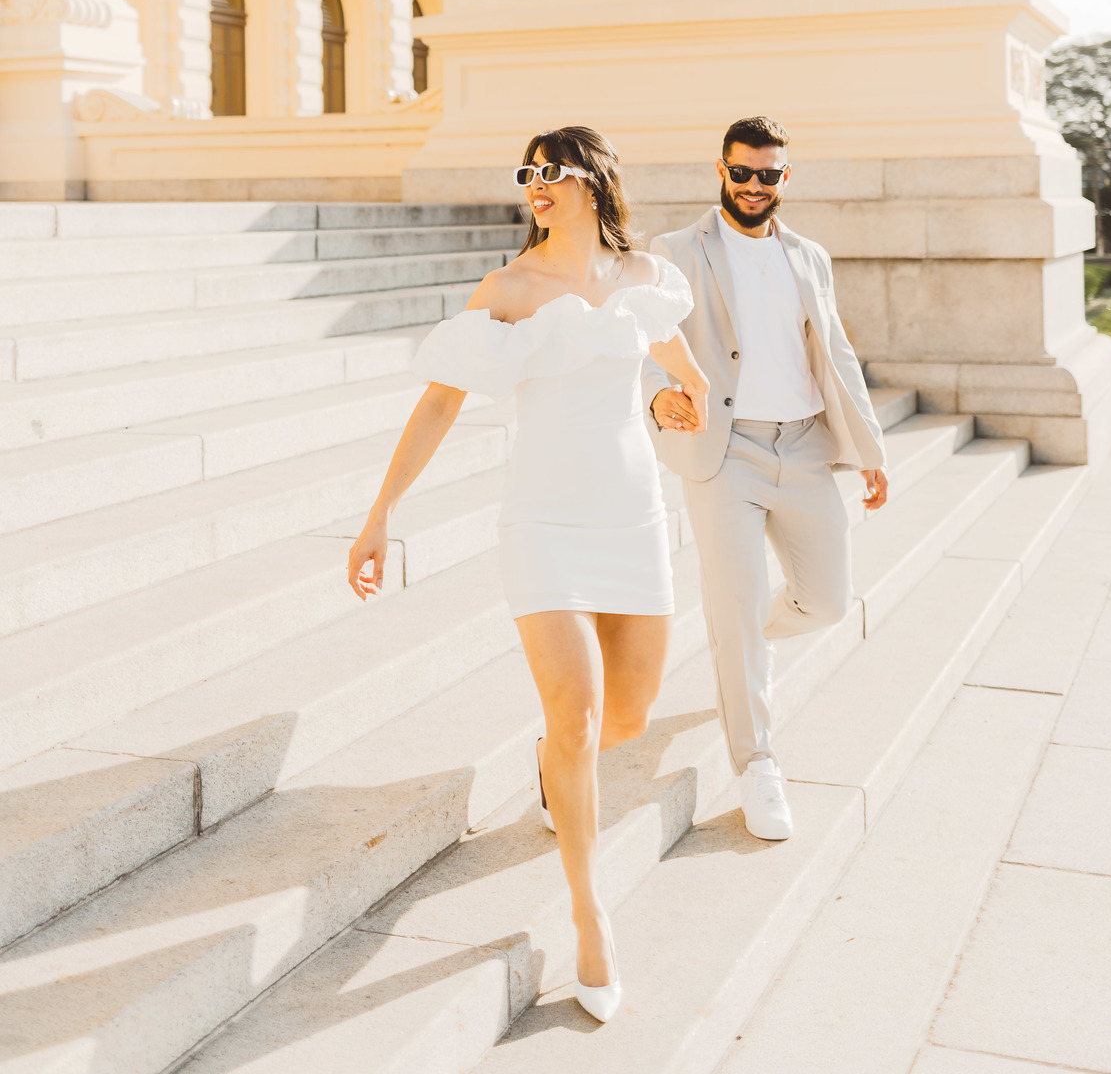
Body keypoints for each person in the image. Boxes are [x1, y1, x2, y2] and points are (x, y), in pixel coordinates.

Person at [348, 124, 707, 1024]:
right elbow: (439, 403)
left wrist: (679, 398)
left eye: (552, 170)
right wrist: (381, 513)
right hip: (543, 524)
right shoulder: (508, 289)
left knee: (627, 717)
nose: (534, 184)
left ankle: (554, 772)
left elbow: (680, 371)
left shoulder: (645, 279)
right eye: (526, 173)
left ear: (596, 180)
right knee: (577, 719)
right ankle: (590, 916)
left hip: (632, 520)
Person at [644, 115, 887, 841]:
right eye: (742, 172)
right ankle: (757, 765)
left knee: (827, 600)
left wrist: (870, 448)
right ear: (721, 170)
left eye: (768, 173)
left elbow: (835, 351)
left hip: (806, 446)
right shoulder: (675, 251)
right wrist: (656, 398)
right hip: (726, 452)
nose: (754, 185)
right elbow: (645, 343)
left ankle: (745, 642)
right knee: (737, 602)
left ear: (786, 176)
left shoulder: (809, 256)